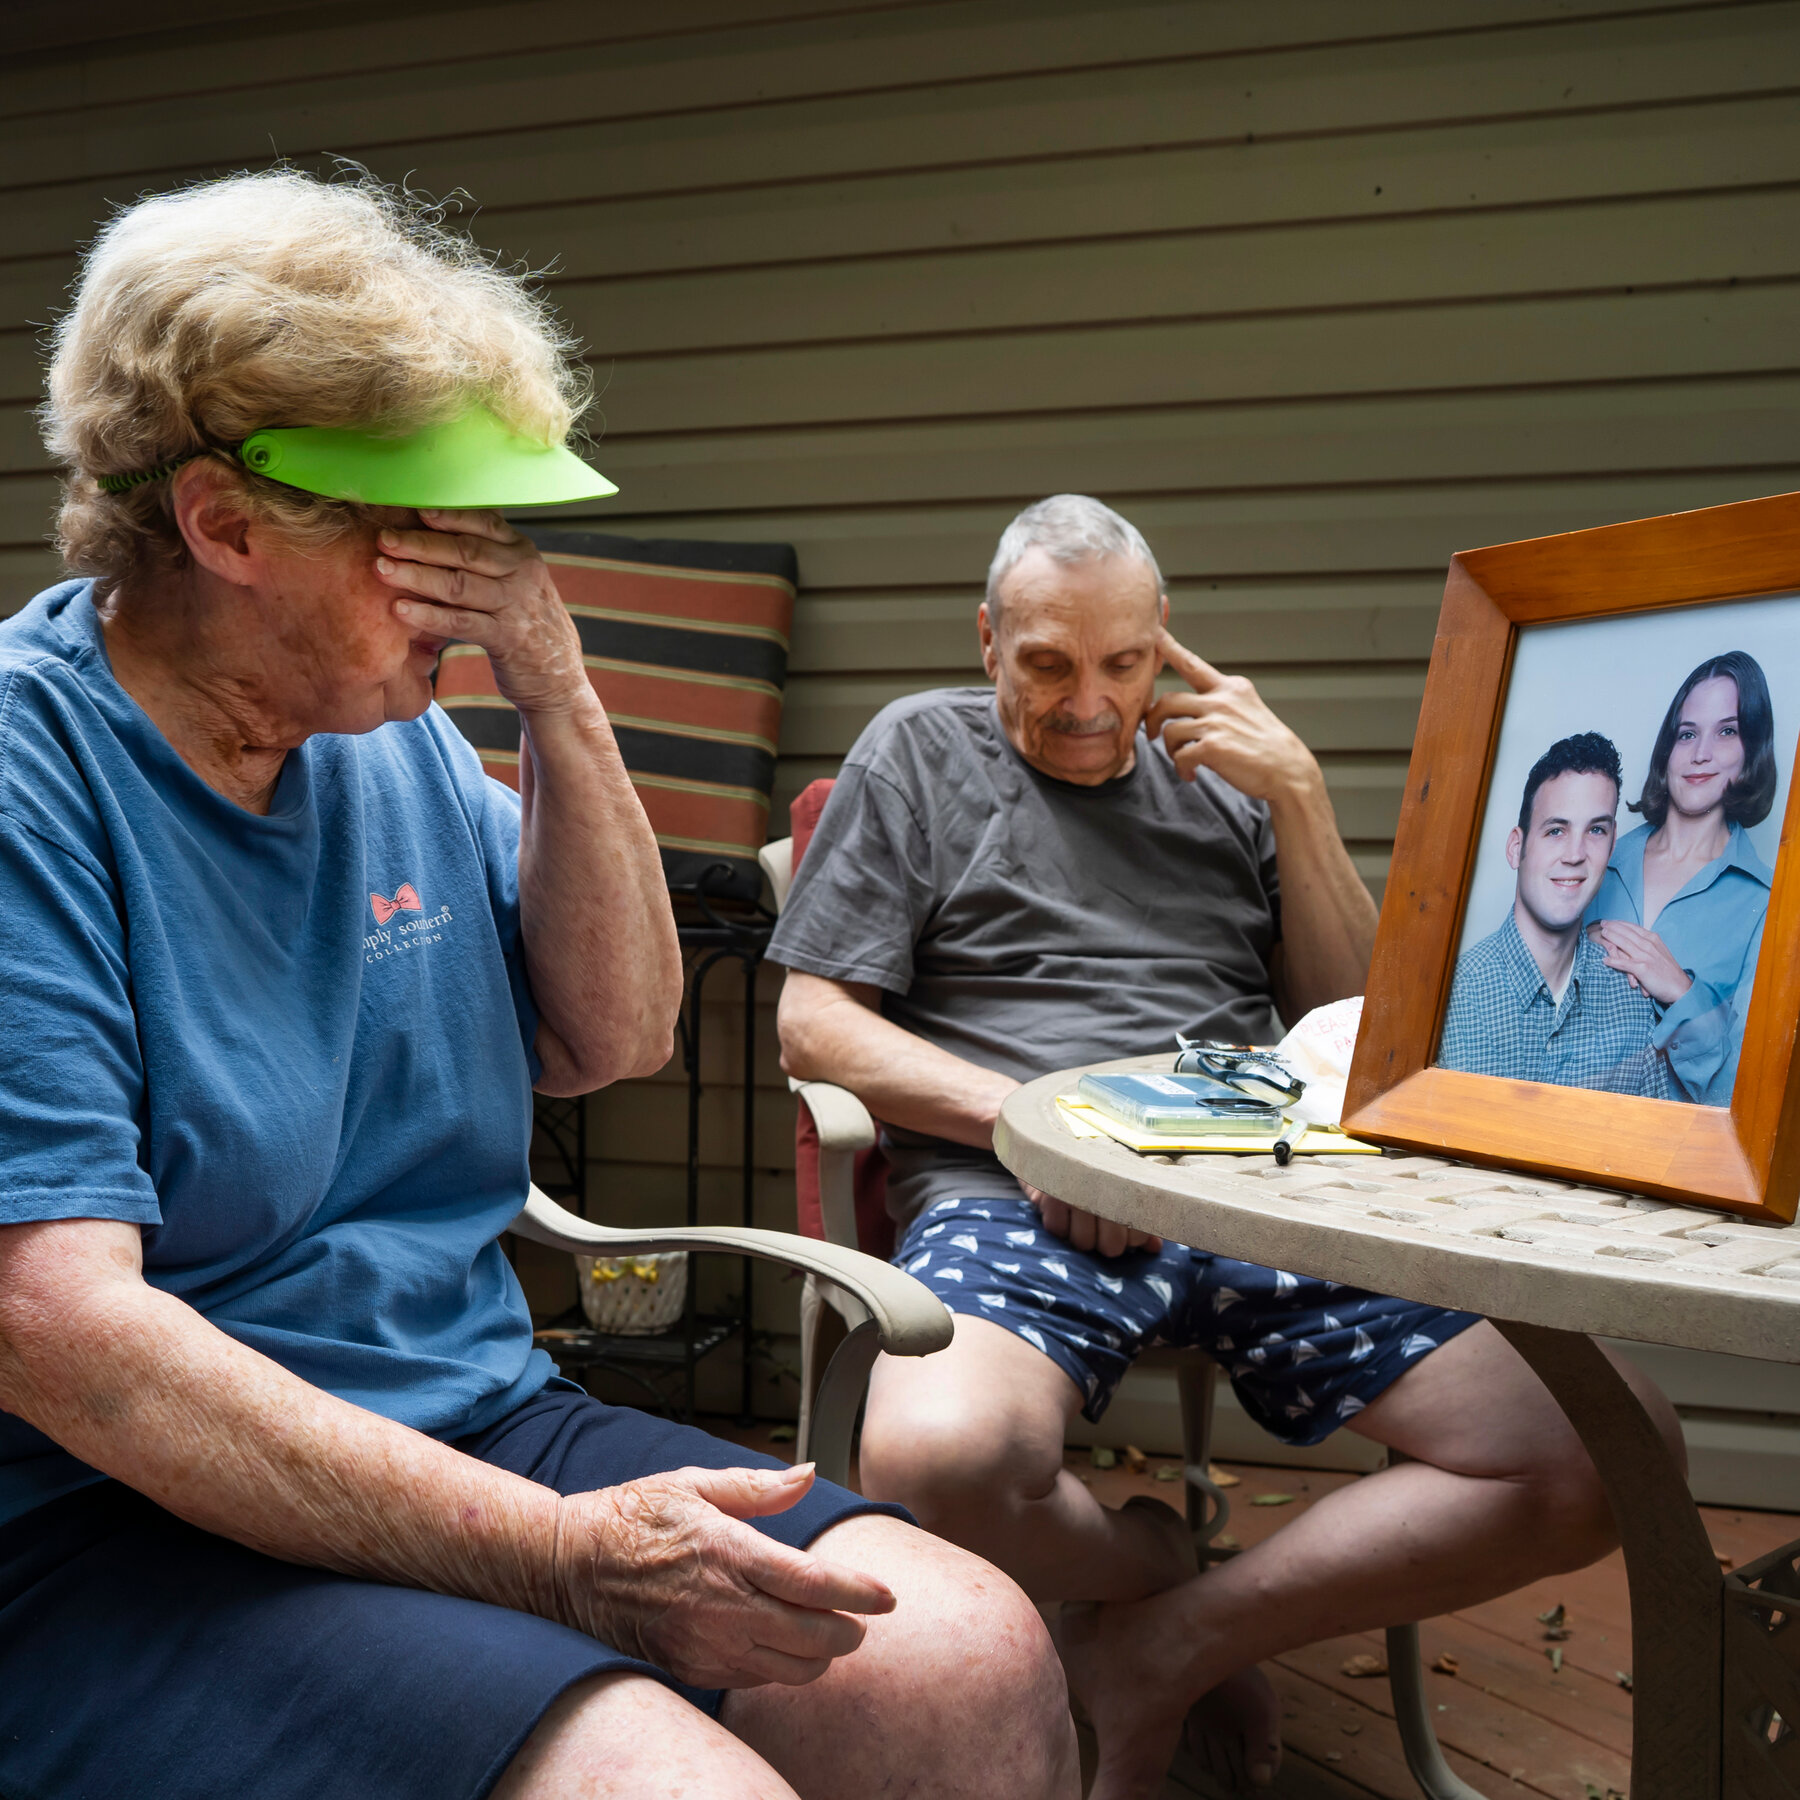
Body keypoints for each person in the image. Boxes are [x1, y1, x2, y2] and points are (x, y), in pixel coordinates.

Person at [0, 171, 1075, 1800]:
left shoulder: (399, 737)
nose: (482, 566)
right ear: (225, 525)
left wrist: (557, 695)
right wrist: (558, 1556)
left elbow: (620, 1033)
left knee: (960, 1657)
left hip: (475, 1414)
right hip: (122, 1522)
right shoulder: (36, 775)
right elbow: (62, 1336)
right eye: (423, 526)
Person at [771, 494, 1683, 1800]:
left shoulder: (1227, 783)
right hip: (1016, 1185)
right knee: (935, 1460)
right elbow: (812, 1024)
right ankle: (1155, 1573)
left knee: (1605, 1455)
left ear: (1167, 648)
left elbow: (1359, 1030)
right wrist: (1047, 1134)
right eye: (1047, 663)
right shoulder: (917, 752)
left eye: (1126, 662)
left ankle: (1170, 1645)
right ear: (986, 644)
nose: (1092, 701)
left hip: (1261, 1182)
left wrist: (1300, 800)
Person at [1584, 651, 1777, 1106]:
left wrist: (1681, 992)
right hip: (1551, 1135)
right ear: (1668, 748)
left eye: (1726, 731)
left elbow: (1744, 1095)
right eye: (1687, 734)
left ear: (1753, 749)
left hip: (1671, 1163)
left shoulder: (1769, 906)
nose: (1700, 754)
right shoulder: (1593, 853)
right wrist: (1572, 953)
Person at [1438, 732, 1673, 1096]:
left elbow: (1657, 1149)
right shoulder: (1451, 996)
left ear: (1611, 848)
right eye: (1556, 830)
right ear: (1517, 848)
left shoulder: (1632, 1006)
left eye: (1596, 830)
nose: (1575, 854)